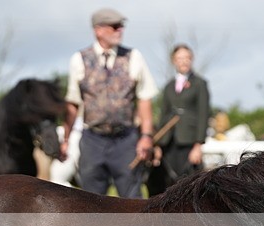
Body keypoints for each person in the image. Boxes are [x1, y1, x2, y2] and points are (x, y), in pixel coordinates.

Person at [61, 8, 158, 198]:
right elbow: (72, 103)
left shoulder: (134, 57)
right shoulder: (79, 60)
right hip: (92, 141)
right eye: (114, 27)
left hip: (126, 141)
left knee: (132, 201)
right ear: (98, 30)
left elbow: (144, 99)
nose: (120, 30)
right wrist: (65, 139)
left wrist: (146, 136)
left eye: (121, 26)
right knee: (90, 203)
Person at [148, 44, 211, 196]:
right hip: (169, 141)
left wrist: (198, 145)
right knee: (167, 183)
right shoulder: (169, 86)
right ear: (173, 61)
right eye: (179, 58)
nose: (183, 62)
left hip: (189, 141)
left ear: (191, 59)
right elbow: (163, 114)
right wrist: (158, 144)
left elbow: (204, 114)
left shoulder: (200, 84)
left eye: (187, 58)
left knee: (189, 183)